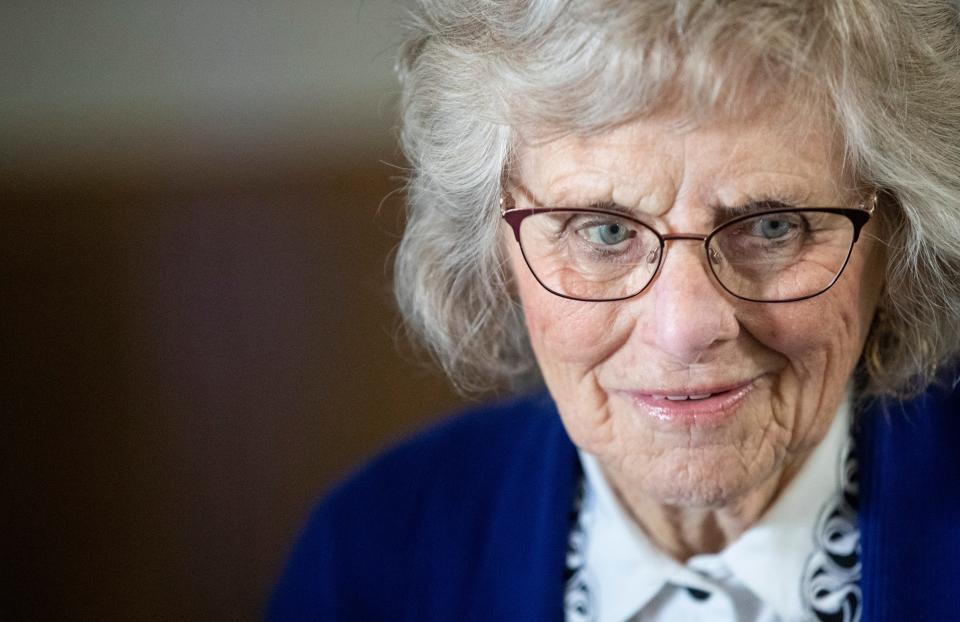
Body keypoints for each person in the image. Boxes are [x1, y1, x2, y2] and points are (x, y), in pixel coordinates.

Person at [268, 1, 960, 620]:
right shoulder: (371, 555)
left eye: (773, 227)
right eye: (604, 232)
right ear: (496, 244)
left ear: (897, 237)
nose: (685, 327)